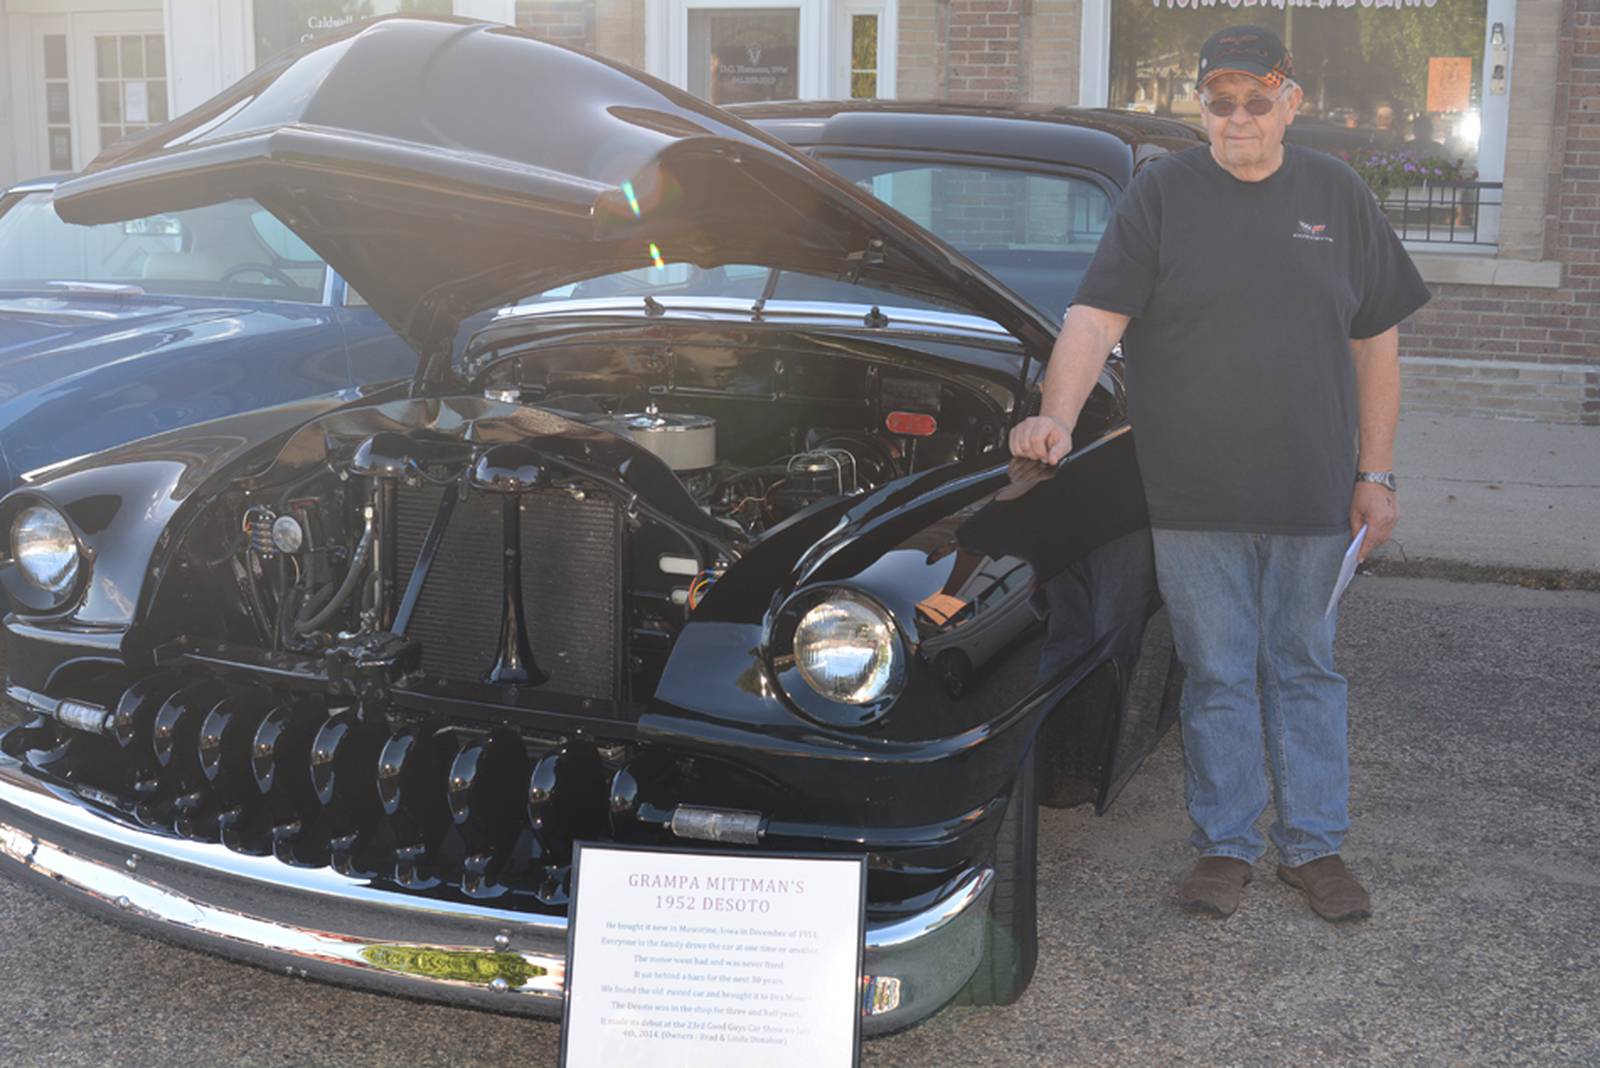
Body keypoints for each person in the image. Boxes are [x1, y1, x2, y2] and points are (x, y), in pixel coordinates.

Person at [1010, 25, 1430, 922]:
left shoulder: (1338, 195)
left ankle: (1314, 846)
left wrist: (1378, 472)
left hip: (1314, 490)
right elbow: (1093, 319)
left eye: (1257, 98)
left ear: (1292, 102)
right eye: (1219, 100)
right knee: (1216, 671)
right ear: (1199, 105)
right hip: (1194, 492)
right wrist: (1056, 413)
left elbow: (1378, 349)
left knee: (1304, 666)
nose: (1238, 117)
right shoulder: (1162, 193)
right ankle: (1227, 844)